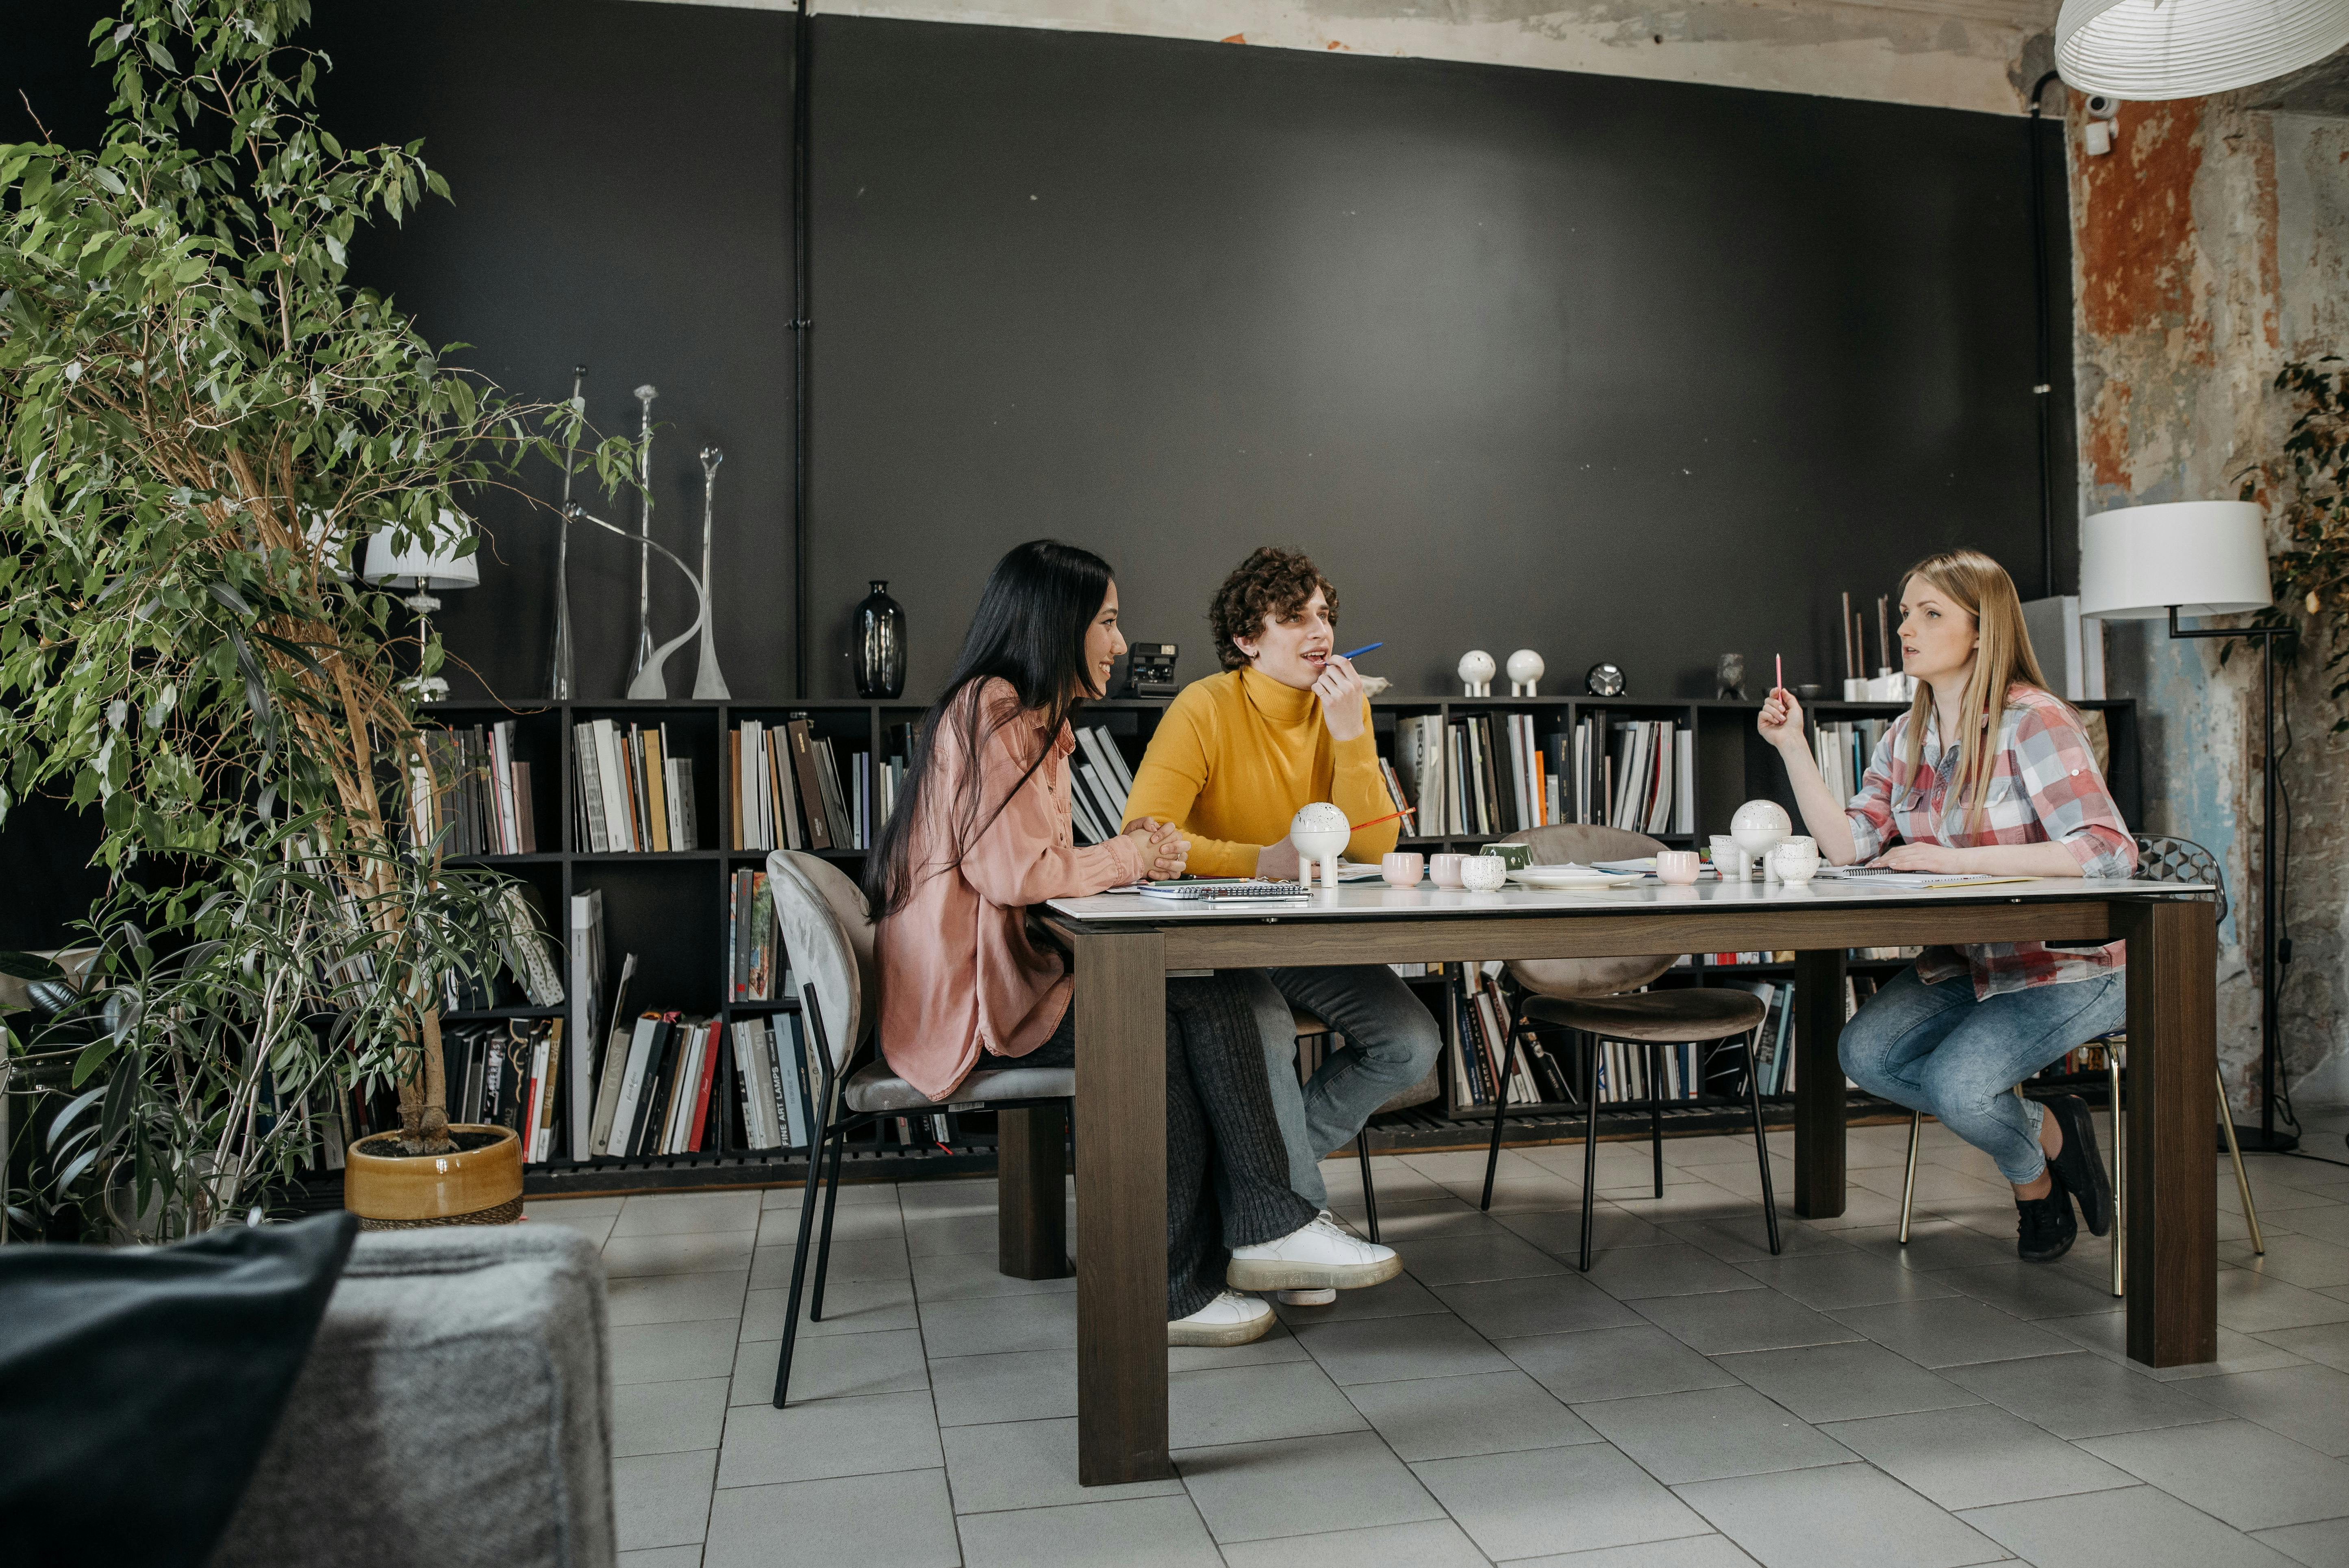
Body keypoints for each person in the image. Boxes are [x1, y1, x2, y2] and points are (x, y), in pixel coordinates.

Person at [868, 540, 1400, 1346]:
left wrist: (1131, 857)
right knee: (1179, 1013)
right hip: (976, 1006)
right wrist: (1135, 856)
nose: (1120, 644)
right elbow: (1020, 873)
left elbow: (1375, 846)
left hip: (1011, 979)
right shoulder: (995, 713)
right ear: (1060, 623)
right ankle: (1222, 1256)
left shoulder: (1030, 720)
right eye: (1108, 623)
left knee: (1210, 997)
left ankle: (1242, 1242)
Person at [1758, 548, 2132, 1263]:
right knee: (1863, 1055)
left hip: (2068, 966)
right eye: (1906, 612)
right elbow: (1848, 846)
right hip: (1970, 962)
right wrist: (1793, 748)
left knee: (1959, 1087)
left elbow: (2107, 850)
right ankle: (2052, 1131)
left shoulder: (2036, 720)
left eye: (1932, 613)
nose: (1908, 627)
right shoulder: (1907, 735)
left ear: (1984, 631)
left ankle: (2034, 1187)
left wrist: (1952, 860)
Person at [1123, 546, 1443, 1303]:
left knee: (1411, 1041)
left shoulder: (1346, 709)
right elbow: (1147, 833)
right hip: (1218, 938)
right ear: (1246, 638)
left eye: (1325, 614)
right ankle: (1285, 1226)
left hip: (1304, 938)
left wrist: (1351, 732)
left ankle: (1263, 1201)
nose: (1319, 630)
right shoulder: (1204, 706)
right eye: (1294, 616)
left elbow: (1374, 845)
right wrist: (1256, 859)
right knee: (1263, 1027)